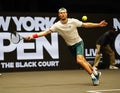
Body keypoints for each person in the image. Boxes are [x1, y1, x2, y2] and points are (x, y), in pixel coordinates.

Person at [25, 7, 108, 86]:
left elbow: (86, 25)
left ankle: (93, 77)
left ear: (66, 14)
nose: (63, 14)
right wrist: (32, 36)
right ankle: (96, 73)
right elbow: (45, 32)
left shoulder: (73, 21)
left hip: (78, 43)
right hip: (70, 46)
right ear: (59, 15)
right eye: (61, 13)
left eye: (64, 13)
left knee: (79, 61)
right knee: (83, 61)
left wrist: (98, 24)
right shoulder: (56, 25)